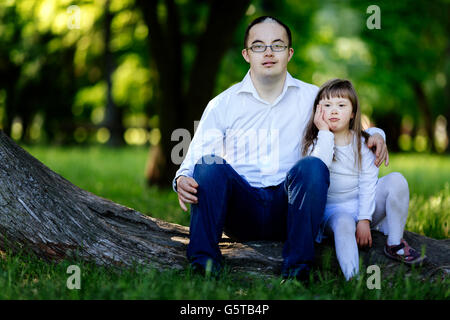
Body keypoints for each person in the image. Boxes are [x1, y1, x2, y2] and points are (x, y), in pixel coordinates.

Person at [173, 16, 388, 281]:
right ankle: (203, 269)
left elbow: (346, 120)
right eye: (259, 46)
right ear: (246, 54)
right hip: (242, 210)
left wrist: (376, 134)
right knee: (207, 165)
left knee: (312, 166)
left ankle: (297, 273)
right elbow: (194, 156)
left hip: (291, 208)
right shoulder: (223, 104)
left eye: (277, 45)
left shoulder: (313, 98)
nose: (268, 53)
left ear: (289, 53)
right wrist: (182, 177)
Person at [302, 78, 426, 280]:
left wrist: (364, 220)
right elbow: (317, 170)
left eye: (341, 105)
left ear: (352, 113)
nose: (333, 110)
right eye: (327, 105)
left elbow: (368, 182)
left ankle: (394, 243)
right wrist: (324, 133)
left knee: (396, 179)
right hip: (334, 211)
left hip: (363, 203)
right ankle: (355, 280)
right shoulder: (314, 144)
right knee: (343, 225)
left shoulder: (364, 143)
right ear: (317, 112)